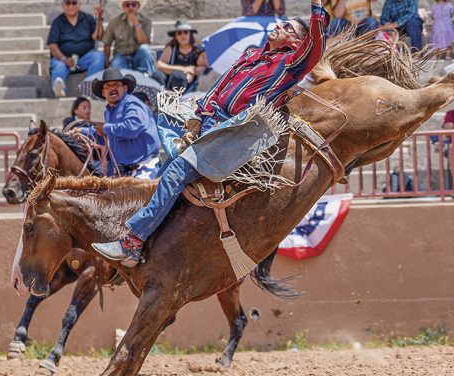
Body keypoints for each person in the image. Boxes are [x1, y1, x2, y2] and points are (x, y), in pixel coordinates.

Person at [92, 0, 329, 267]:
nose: (278, 26)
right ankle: (151, 234)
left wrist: (317, 7)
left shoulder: (290, 63)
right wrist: (198, 113)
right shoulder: (251, 55)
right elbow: (221, 84)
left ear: (297, 43)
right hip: (208, 121)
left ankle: (132, 242)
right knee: (165, 163)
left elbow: (315, 46)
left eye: (287, 27)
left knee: (176, 172)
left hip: (232, 134)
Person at [85, 68, 161, 179]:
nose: (112, 88)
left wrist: (105, 128)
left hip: (145, 166)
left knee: (138, 194)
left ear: (124, 88)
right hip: (123, 170)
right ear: (103, 92)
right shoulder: (108, 112)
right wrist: (81, 132)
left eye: (116, 85)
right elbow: (108, 135)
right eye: (108, 86)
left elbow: (132, 127)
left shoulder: (132, 104)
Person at [47, 0, 104, 97]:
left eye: (74, 3)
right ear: (63, 5)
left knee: (98, 57)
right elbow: (52, 45)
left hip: (83, 60)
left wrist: (99, 18)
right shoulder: (57, 22)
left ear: (79, 4)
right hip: (64, 60)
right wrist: (64, 59)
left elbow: (98, 37)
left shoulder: (88, 19)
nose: (71, 6)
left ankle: (92, 88)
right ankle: (60, 90)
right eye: (67, 3)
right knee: (58, 67)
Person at [153, 20, 208, 93]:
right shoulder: (171, 48)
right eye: (179, 33)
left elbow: (203, 68)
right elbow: (159, 65)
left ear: (190, 34)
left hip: (188, 85)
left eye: (185, 32)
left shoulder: (198, 50)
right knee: (158, 75)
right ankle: (160, 100)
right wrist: (184, 69)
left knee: (178, 76)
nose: (183, 35)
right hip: (169, 83)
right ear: (175, 36)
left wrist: (191, 72)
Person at [103, 0, 154, 75]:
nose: (130, 7)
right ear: (123, 7)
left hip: (138, 55)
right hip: (121, 56)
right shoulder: (114, 22)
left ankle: (147, 77)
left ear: (138, 6)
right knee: (117, 67)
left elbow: (144, 42)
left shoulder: (146, 21)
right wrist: (106, 63)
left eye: (133, 5)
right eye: (127, 5)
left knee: (145, 49)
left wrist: (136, 23)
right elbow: (107, 44)